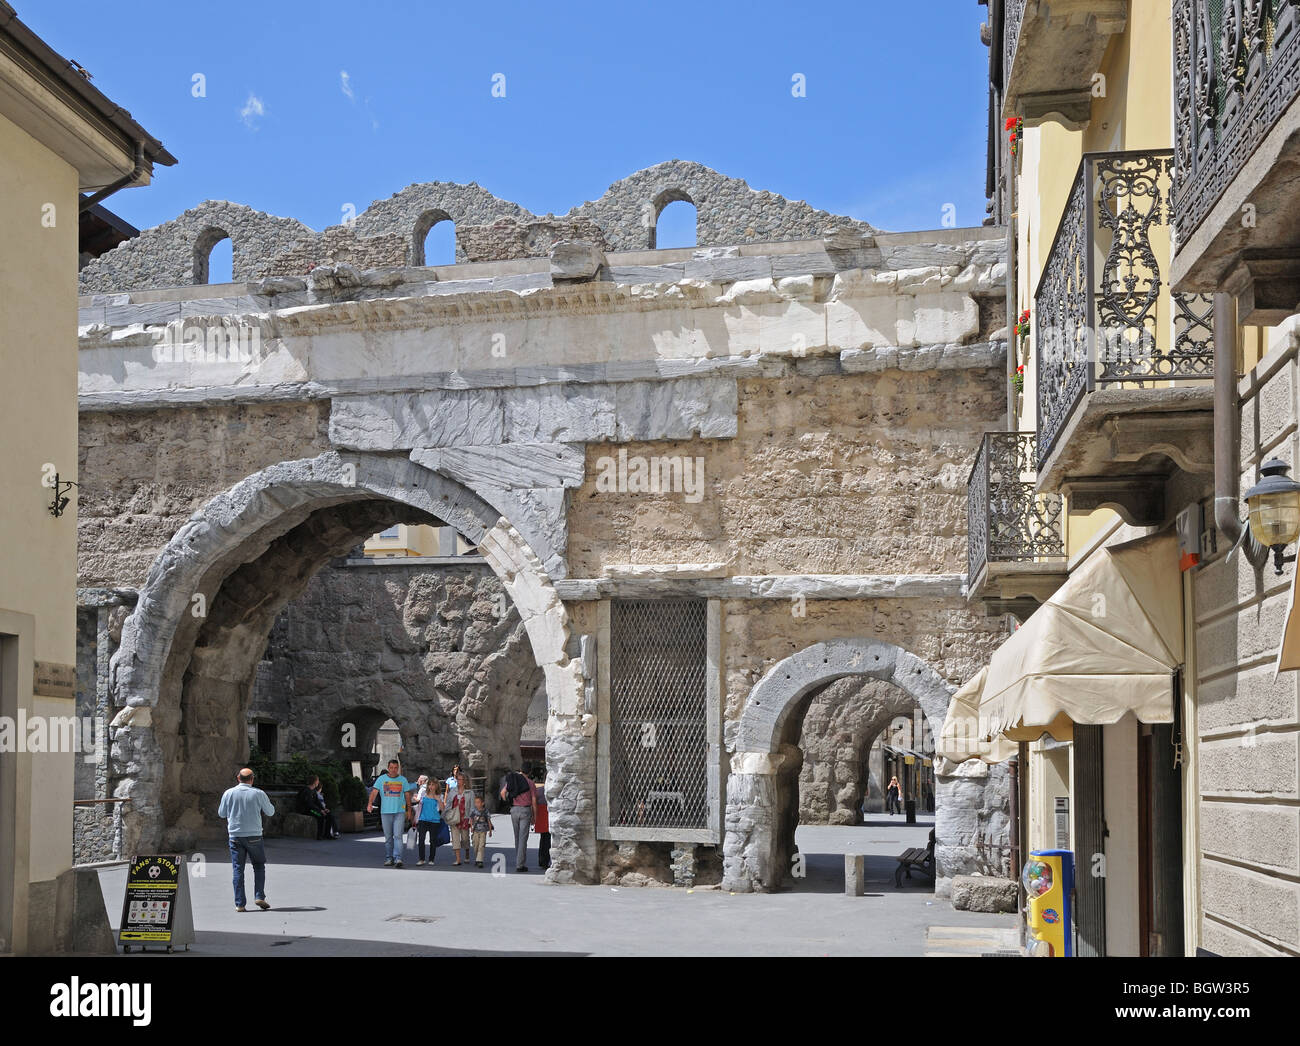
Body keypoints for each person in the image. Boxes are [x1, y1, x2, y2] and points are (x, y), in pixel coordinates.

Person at [217, 767, 275, 912]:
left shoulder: (228, 793)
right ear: (252, 779)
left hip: (235, 836)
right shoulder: (258, 793)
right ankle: (259, 896)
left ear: (238, 778)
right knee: (259, 866)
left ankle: (240, 904)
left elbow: (222, 814)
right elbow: (270, 812)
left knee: (238, 869)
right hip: (254, 836)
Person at [367, 759, 415, 867]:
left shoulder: (403, 780)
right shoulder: (381, 779)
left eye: (395, 768)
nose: (393, 770)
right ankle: (389, 858)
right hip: (385, 812)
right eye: (391, 768)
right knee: (388, 837)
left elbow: (407, 795)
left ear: (398, 768)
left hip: (399, 812)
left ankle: (398, 858)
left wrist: (409, 810)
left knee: (398, 836)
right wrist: (369, 804)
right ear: (388, 768)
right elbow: (374, 792)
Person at [499, 763, 536, 872]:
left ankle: (518, 860)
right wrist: (535, 816)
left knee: (517, 837)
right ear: (530, 772)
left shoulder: (513, 780)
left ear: (521, 770)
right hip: (525, 810)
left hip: (514, 810)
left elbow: (502, 793)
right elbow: (534, 801)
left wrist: (509, 801)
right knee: (523, 838)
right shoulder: (530, 783)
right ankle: (520, 864)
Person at [415, 780, 445, 865]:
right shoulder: (424, 794)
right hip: (423, 819)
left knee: (433, 840)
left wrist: (439, 800)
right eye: (430, 785)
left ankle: (431, 859)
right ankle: (421, 859)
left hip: (434, 820)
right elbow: (419, 805)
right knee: (421, 840)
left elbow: (443, 809)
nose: (431, 787)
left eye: (433, 785)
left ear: (436, 786)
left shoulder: (440, 796)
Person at [445, 772, 470, 866]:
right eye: (457, 779)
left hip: (465, 818)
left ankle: (467, 854)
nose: (458, 781)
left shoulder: (469, 792)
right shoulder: (453, 791)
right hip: (454, 817)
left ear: (464, 781)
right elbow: (448, 803)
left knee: (465, 839)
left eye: (460, 779)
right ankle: (458, 859)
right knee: (455, 839)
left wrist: (471, 818)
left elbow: (472, 806)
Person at [530, 766, 551, 870]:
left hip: (541, 815)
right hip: (547, 814)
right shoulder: (551, 791)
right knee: (548, 840)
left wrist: (533, 816)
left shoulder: (539, 790)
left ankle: (542, 860)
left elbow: (533, 802)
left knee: (543, 839)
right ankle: (545, 860)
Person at [468, 794, 493, 868]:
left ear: (482, 803)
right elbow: (471, 819)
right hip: (475, 830)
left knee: (481, 845)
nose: (477, 804)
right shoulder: (473, 811)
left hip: (483, 831)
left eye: (478, 802)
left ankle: (480, 861)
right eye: (476, 802)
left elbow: (489, 821)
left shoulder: (485, 811)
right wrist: (471, 827)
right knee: (475, 845)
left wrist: (490, 830)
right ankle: (477, 858)